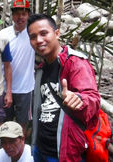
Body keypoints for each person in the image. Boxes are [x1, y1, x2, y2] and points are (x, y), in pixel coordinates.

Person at [27, 14, 100, 161]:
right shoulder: (41, 69)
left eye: (43, 33)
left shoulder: (75, 63)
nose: (38, 40)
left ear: (57, 33)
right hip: (40, 148)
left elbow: (93, 98)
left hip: (65, 151)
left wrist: (79, 99)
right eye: (33, 37)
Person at [0, 0, 35, 136]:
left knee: (22, 123)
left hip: (25, 88)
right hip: (4, 88)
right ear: (12, 16)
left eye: (24, 14)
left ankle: (20, 152)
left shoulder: (33, 34)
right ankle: (5, 152)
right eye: (17, 14)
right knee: (4, 123)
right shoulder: (3, 34)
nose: (20, 17)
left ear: (28, 15)